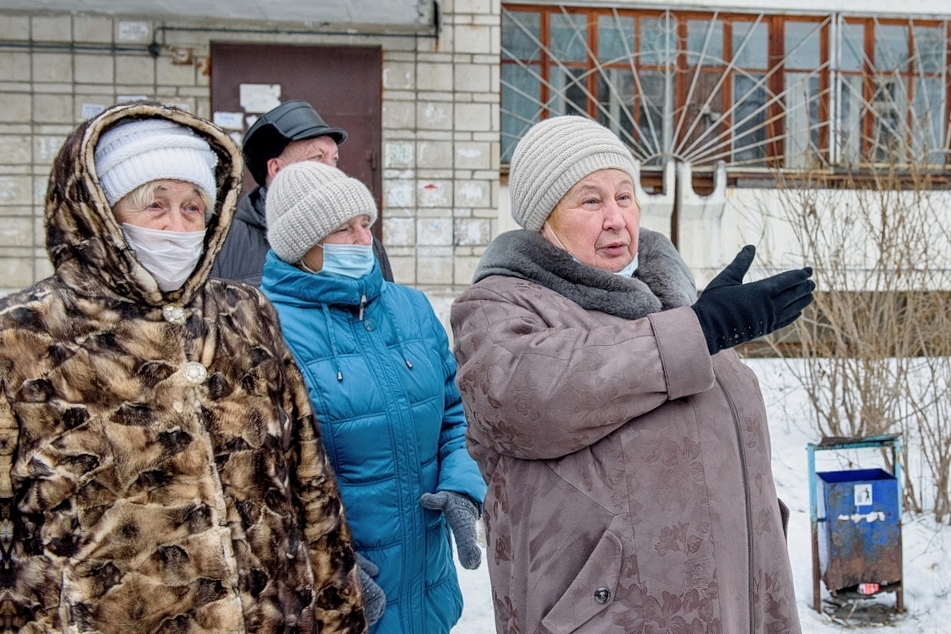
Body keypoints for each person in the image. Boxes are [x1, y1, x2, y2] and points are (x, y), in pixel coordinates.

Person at [0, 101, 366, 633]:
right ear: (100, 212)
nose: (177, 226)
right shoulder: (23, 335)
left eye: (193, 207)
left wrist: (337, 614)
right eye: (155, 205)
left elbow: (308, 480)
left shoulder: (244, 315)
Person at [451, 116, 814, 634]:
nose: (617, 218)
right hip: (608, 613)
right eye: (590, 201)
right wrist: (700, 329)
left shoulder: (670, 297)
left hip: (735, 600)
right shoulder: (497, 307)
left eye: (626, 195)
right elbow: (527, 399)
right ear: (543, 221)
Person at [259, 161, 487, 634]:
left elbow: (455, 411)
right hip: (341, 599)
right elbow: (259, 479)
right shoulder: (263, 328)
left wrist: (464, 486)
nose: (365, 240)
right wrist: (324, 564)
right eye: (344, 229)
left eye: (366, 224)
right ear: (303, 246)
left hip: (427, 585)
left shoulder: (411, 309)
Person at [211, 99, 393, 286]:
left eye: (335, 159)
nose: (334, 171)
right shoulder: (224, 242)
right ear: (276, 168)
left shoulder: (362, 240)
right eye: (317, 157)